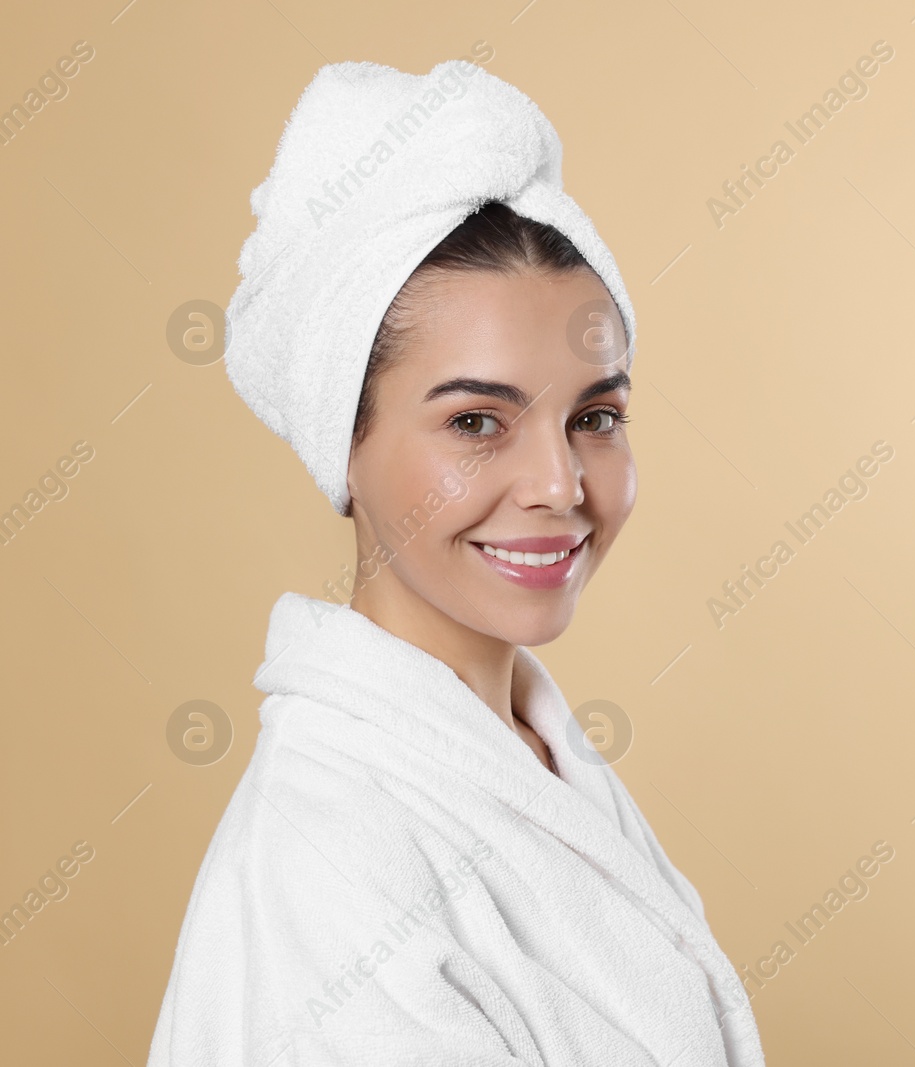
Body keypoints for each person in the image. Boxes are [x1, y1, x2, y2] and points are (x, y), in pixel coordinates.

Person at [146, 59, 765, 1066]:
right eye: (477, 420)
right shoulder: (330, 857)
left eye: (595, 417)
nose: (559, 481)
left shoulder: (530, 760)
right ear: (341, 440)